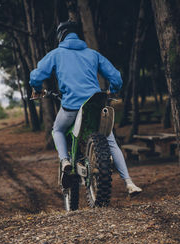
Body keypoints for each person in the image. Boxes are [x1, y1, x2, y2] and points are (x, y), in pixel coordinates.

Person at [29, 21, 142, 195]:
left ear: (61, 36)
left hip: (71, 107)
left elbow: (36, 75)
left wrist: (36, 89)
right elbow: (116, 77)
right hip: (94, 105)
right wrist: (113, 91)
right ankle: (129, 182)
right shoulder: (93, 54)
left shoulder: (56, 54)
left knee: (57, 130)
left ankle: (65, 160)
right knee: (111, 142)